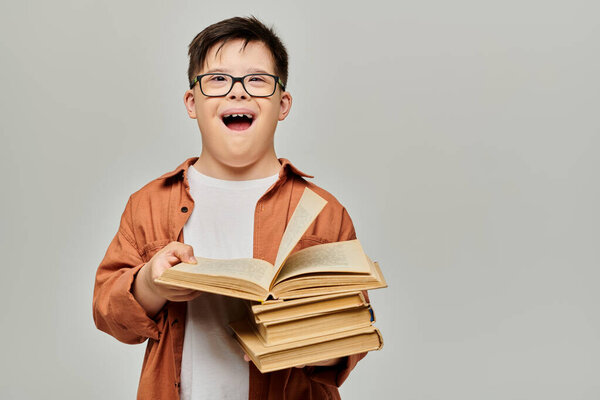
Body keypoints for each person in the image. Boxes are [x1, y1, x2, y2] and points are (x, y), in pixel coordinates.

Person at [93, 16, 368, 400]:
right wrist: (152, 283)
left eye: (257, 80)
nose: (237, 93)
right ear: (192, 102)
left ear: (282, 104)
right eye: (218, 80)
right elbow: (110, 317)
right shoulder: (148, 204)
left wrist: (298, 334)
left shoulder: (323, 211)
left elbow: (352, 340)